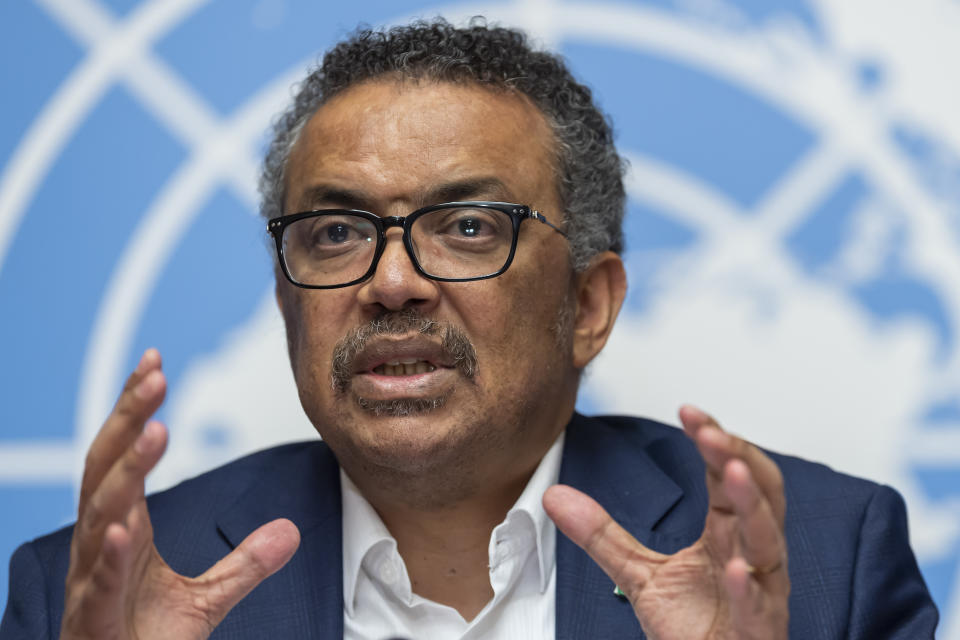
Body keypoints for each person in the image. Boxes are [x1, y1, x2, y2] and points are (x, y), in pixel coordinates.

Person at [0, 18, 938, 640]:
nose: (393, 282)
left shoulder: (824, 561)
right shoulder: (95, 596)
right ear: (287, 299)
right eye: (336, 233)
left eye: (469, 227)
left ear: (588, 305)